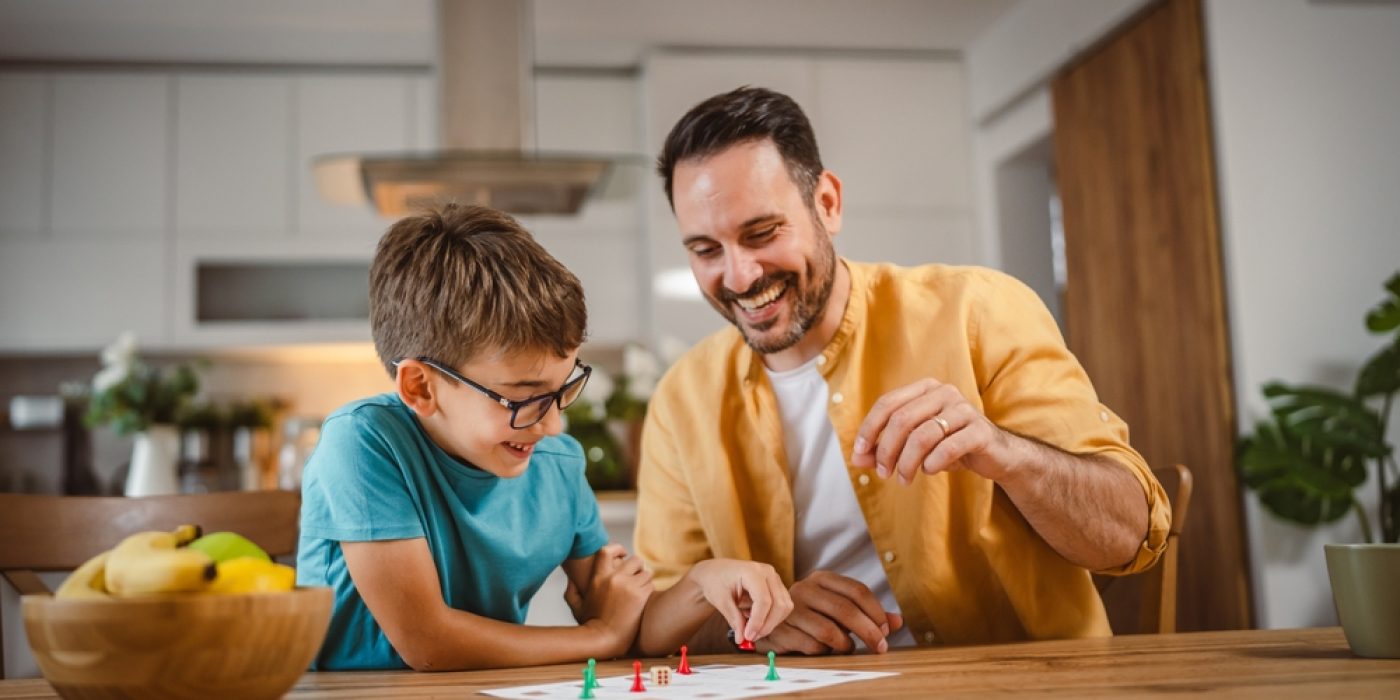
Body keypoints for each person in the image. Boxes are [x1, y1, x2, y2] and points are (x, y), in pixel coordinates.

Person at [636, 87, 1171, 655]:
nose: (739, 276)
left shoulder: (979, 311)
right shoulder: (682, 397)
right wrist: (751, 623)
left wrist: (1004, 452)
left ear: (828, 203)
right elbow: (658, 619)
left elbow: (1128, 535)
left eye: (762, 234)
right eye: (705, 250)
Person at [297, 204, 792, 671]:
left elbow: (632, 625)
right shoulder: (362, 442)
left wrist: (704, 582)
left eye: (563, 389)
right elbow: (428, 642)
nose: (553, 425)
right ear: (421, 387)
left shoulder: (555, 462)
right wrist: (598, 638)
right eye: (522, 397)